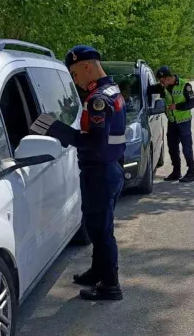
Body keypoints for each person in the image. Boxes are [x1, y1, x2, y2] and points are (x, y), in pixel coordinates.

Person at [29, 45, 126, 301]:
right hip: (109, 169)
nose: (75, 80)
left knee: (100, 230)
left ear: (87, 67)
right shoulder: (112, 90)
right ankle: (98, 271)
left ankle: (110, 285)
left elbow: (93, 142)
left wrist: (54, 128)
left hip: (100, 173)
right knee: (98, 226)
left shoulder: (98, 99)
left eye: (74, 74)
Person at [148, 66, 194, 183]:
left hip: (184, 122)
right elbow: (149, 90)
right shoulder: (163, 87)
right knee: (172, 148)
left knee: (187, 148)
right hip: (172, 122)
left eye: (162, 80)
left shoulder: (184, 85)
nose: (161, 83)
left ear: (168, 78)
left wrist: (178, 107)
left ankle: (191, 173)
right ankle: (176, 172)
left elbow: (192, 102)